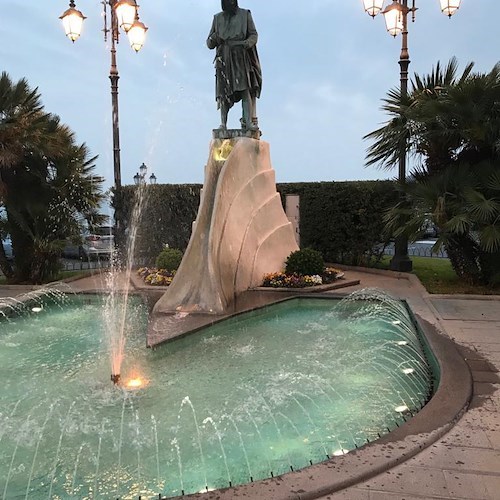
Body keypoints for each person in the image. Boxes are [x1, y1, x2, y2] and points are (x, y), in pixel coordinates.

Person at [207, 0, 262, 131]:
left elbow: (253, 34)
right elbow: (209, 43)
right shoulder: (217, 18)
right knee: (223, 93)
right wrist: (214, 37)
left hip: (240, 55)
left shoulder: (245, 14)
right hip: (224, 58)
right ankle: (223, 124)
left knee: (244, 89)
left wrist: (247, 43)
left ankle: (248, 122)